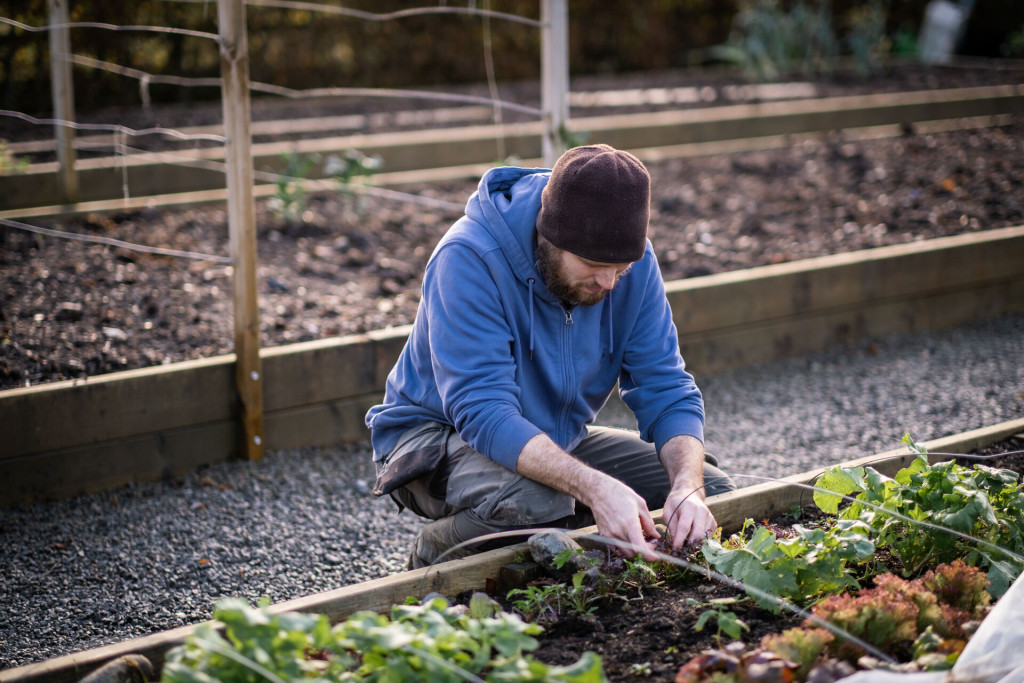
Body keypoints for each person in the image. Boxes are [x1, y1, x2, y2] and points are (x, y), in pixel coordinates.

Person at [365, 143, 736, 569]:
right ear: (548, 234)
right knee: (538, 501)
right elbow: (483, 410)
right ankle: (437, 553)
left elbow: (666, 386)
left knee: (717, 491)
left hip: (551, 439)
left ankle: (554, 524)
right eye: (593, 264)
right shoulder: (468, 258)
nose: (609, 282)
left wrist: (687, 487)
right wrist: (594, 489)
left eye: (621, 268)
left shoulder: (633, 264)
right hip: (432, 442)